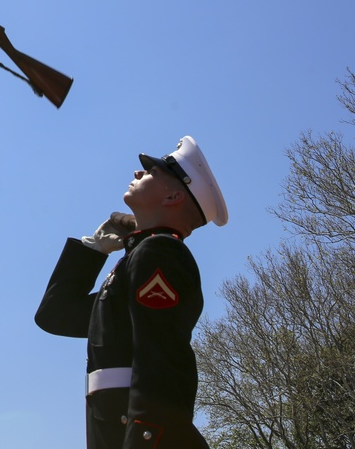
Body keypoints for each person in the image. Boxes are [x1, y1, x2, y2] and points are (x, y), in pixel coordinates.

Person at [34, 136, 228, 448]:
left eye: (152, 172)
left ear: (173, 196)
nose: (138, 173)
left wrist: (145, 440)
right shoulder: (138, 260)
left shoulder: (159, 253)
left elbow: (162, 363)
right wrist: (93, 250)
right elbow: (55, 315)